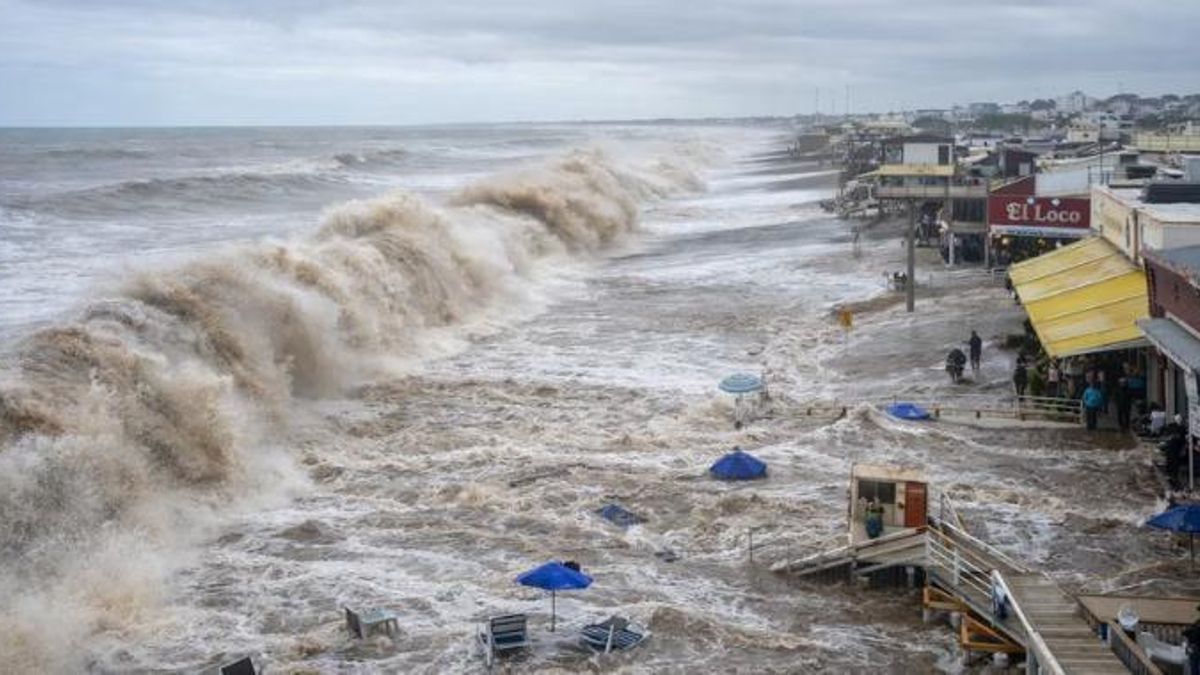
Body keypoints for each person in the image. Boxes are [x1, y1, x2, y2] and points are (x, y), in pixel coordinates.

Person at [1183, 606, 1200, 675]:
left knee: (1195, 667)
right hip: (1195, 647)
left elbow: (1187, 632)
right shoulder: (1197, 622)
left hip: (1196, 647)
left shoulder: (1197, 623)